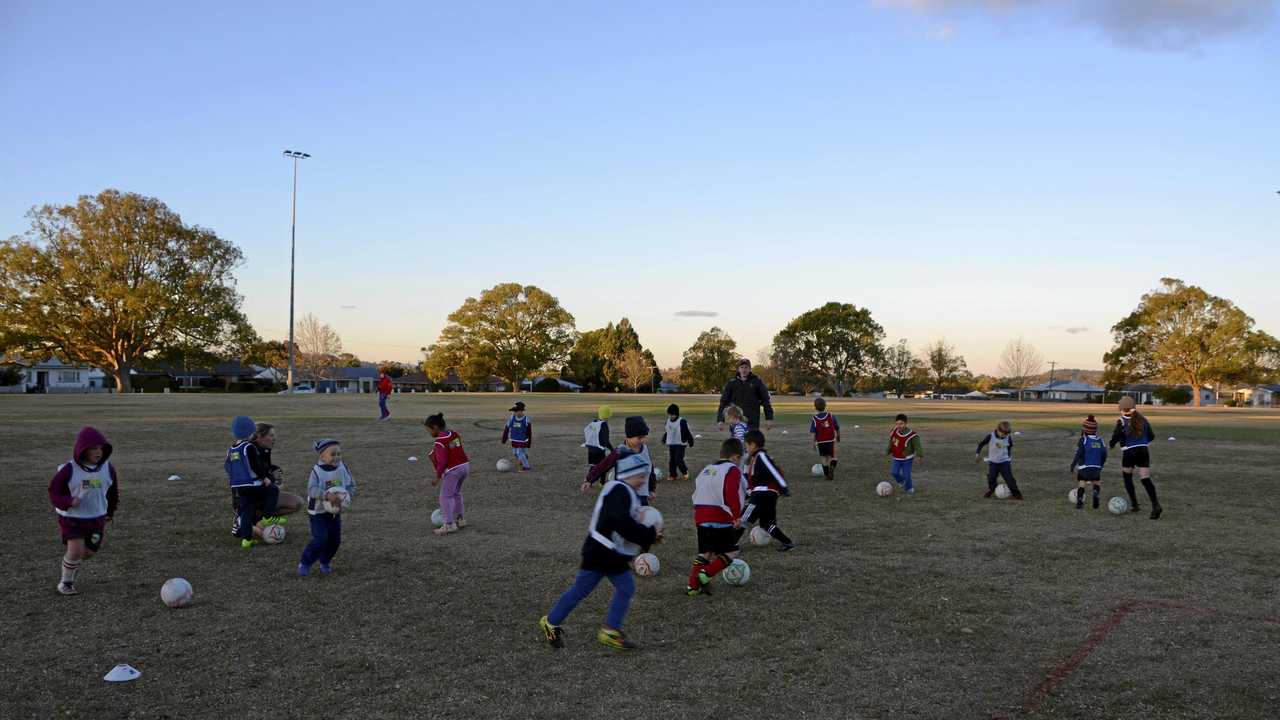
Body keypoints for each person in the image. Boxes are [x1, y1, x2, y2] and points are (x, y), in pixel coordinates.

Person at [539, 441, 661, 651]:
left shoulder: (624, 491)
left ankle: (562, 623)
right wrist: (647, 534)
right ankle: (600, 629)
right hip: (602, 552)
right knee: (601, 589)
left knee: (608, 588)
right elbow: (621, 523)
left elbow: (625, 526)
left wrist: (646, 537)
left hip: (606, 553)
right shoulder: (619, 491)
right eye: (640, 476)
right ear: (629, 474)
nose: (643, 480)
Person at [48, 427, 119, 595]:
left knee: (88, 553)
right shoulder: (69, 469)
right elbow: (54, 491)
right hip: (73, 519)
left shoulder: (108, 468)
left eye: (100, 447)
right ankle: (66, 583)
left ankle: (72, 565)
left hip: (96, 519)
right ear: (83, 450)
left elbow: (112, 492)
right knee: (75, 551)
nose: (98, 452)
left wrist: (110, 512)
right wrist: (68, 501)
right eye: (93, 448)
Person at [686, 439, 747, 596]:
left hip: (701, 515)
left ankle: (692, 587)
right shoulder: (732, 470)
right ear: (735, 457)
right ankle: (706, 573)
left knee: (705, 553)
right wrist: (736, 516)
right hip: (719, 515)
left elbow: (698, 489)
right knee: (732, 551)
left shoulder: (707, 469)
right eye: (740, 459)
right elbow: (731, 493)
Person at [230, 422, 304, 540]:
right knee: (249, 531)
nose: (274, 439)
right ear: (260, 437)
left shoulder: (264, 450)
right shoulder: (248, 451)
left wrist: (273, 478)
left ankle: (261, 520)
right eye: (271, 435)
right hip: (246, 499)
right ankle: (241, 520)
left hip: (261, 496)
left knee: (296, 503)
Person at [298, 439, 356, 575]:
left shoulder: (343, 468)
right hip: (318, 512)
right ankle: (305, 562)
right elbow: (311, 490)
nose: (337, 457)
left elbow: (351, 486)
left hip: (335, 512)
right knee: (320, 539)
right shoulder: (317, 471)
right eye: (333, 454)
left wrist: (346, 497)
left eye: (339, 454)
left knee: (335, 541)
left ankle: (325, 561)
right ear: (322, 456)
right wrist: (326, 495)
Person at [226, 415, 279, 549]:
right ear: (251, 432)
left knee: (246, 512)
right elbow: (255, 466)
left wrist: (235, 479)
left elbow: (227, 466)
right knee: (273, 490)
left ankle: (247, 540)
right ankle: (267, 517)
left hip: (239, 487)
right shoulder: (248, 447)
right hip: (251, 484)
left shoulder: (232, 449)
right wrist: (265, 478)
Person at [583, 417, 657, 506]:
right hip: (624, 496)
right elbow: (604, 464)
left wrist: (651, 489)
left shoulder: (645, 449)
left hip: (642, 496)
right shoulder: (620, 451)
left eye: (644, 437)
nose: (643, 440)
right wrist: (589, 479)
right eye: (639, 437)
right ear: (628, 436)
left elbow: (650, 469)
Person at [1109, 397, 1162, 519]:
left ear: (1121, 409)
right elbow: (1151, 436)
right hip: (1144, 450)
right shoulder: (1143, 419)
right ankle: (1155, 505)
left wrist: (1112, 444)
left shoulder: (1121, 421)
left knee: (1127, 477)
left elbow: (1116, 436)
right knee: (1145, 479)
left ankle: (1134, 504)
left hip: (1129, 452)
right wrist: (1143, 442)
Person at [742, 430, 795, 551]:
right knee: (767, 523)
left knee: (743, 519)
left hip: (763, 494)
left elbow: (774, 471)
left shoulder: (761, 456)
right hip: (766, 494)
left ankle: (729, 546)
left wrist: (783, 487)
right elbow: (754, 484)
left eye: (746, 445)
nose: (746, 448)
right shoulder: (755, 459)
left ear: (753, 445)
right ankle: (787, 542)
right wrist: (747, 494)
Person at [426, 413, 470, 536]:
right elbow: (454, 448)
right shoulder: (454, 434)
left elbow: (443, 462)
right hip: (464, 466)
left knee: (445, 497)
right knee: (456, 493)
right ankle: (460, 519)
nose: (429, 433)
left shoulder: (439, 442)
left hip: (454, 470)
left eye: (429, 430)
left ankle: (449, 524)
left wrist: (437, 477)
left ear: (434, 427)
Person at [717, 358, 774, 430]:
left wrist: (769, 418)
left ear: (750, 369)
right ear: (738, 369)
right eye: (742, 367)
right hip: (736, 420)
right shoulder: (732, 383)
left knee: (751, 440)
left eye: (746, 368)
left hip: (752, 421)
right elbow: (723, 402)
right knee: (738, 440)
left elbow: (765, 400)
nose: (744, 370)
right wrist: (720, 420)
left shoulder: (757, 382)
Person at [975, 421, 1023, 500]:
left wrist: (1008, 457)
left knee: (1010, 480)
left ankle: (1017, 494)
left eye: (1006, 434)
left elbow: (1009, 446)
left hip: (1004, 462)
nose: (1005, 435)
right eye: (1003, 433)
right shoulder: (991, 436)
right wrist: (977, 454)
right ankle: (991, 490)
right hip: (993, 463)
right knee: (991, 478)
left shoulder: (1008, 437)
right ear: (997, 430)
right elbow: (982, 444)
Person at [1071, 415, 1108, 510]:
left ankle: (1079, 501)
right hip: (1096, 468)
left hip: (1084, 467)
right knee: (1096, 482)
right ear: (1095, 430)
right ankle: (1095, 494)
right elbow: (1104, 454)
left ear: (1084, 430)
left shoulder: (1083, 440)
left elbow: (1078, 454)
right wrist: (1101, 465)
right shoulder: (1100, 440)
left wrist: (1073, 464)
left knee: (1082, 483)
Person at [886, 413, 922, 496]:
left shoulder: (912, 435)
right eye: (897, 424)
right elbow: (892, 442)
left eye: (901, 424)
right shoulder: (894, 431)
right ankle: (901, 481)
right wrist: (888, 450)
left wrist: (919, 455)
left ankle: (909, 489)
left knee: (907, 475)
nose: (899, 426)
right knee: (894, 472)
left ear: (905, 423)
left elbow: (917, 445)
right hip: (896, 458)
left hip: (907, 459)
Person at [810, 397, 841, 480]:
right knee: (834, 457)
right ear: (825, 405)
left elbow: (813, 432)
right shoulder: (831, 416)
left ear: (815, 407)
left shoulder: (815, 419)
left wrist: (813, 443)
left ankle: (827, 475)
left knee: (824, 459)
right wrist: (838, 436)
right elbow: (837, 427)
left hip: (821, 442)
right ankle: (831, 469)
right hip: (831, 440)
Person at [662, 403, 695, 482]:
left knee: (678, 459)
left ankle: (685, 472)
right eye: (669, 414)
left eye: (672, 414)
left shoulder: (682, 421)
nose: (670, 416)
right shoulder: (668, 422)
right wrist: (664, 438)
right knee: (672, 460)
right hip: (672, 443)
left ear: (677, 414)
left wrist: (691, 441)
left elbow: (687, 432)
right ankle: (673, 475)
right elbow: (668, 431)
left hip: (680, 444)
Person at [501, 401, 533, 472]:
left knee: (519, 452)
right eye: (513, 411)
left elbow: (529, 432)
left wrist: (529, 442)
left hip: (523, 440)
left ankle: (526, 467)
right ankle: (524, 457)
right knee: (515, 453)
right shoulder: (512, 418)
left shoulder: (526, 420)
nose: (514, 413)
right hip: (514, 440)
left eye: (516, 411)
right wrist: (504, 438)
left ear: (521, 411)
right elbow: (507, 428)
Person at [581, 405, 613, 470]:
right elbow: (606, 440)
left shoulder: (594, 422)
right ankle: (602, 480)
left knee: (593, 466)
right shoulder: (604, 425)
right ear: (608, 415)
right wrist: (612, 449)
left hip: (591, 449)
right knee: (603, 468)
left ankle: (588, 480)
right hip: (599, 451)